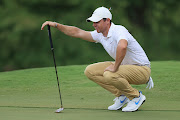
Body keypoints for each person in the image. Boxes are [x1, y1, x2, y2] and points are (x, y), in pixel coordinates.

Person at [41, 6, 154, 112]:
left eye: (97, 22)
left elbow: (123, 46)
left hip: (141, 69)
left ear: (107, 20)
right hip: (125, 68)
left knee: (109, 74)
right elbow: (77, 32)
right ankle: (122, 95)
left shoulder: (119, 30)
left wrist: (115, 67)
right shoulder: (100, 35)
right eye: (93, 22)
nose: (94, 25)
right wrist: (56, 25)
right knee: (90, 71)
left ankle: (136, 97)